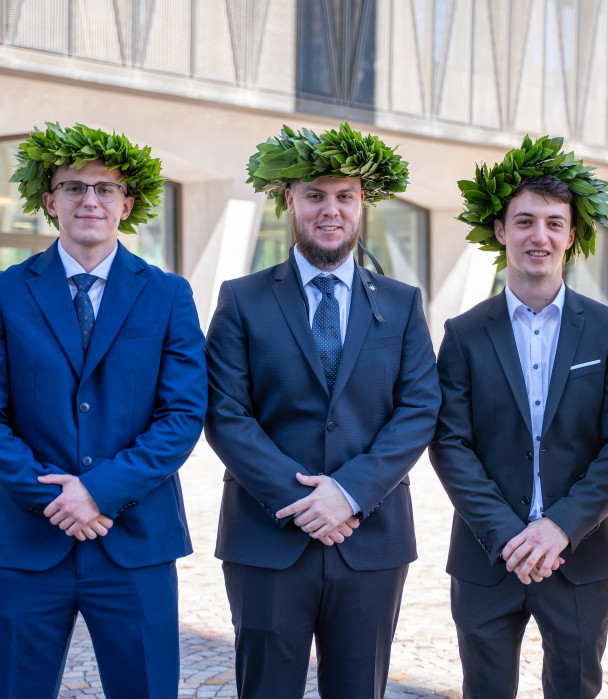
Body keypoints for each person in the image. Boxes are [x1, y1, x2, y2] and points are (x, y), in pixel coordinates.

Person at [0, 122, 207, 698]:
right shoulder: (2, 292)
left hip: (135, 538)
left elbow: (182, 416)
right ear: (50, 202)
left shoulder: (169, 295)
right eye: (73, 188)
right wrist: (60, 499)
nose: (89, 200)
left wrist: (100, 492)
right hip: (25, 539)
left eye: (104, 189)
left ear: (127, 203)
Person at [205, 122, 441, 699]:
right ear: (289, 201)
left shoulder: (402, 303)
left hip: (371, 536)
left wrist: (349, 492)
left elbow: (418, 408)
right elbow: (225, 412)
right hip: (267, 534)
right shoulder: (242, 299)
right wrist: (305, 499)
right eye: (315, 195)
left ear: (363, 205)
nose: (329, 210)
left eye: (344, 196)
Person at [428, 135, 608, 698]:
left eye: (554, 223)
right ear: (500, 231)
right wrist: (509, 536)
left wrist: (559, 529)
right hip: (486, 557)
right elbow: (450, 445)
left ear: (571, 235)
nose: (539, 236)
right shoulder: (464, 334)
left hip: (580, 556)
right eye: (525, 221)